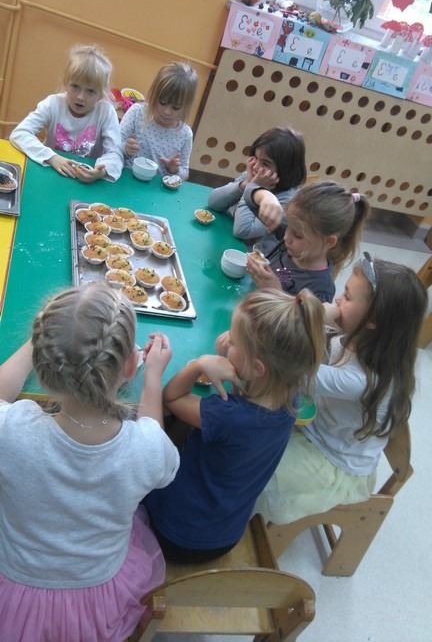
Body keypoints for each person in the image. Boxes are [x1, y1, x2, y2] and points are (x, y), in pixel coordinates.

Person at [0, 283, 179, 642]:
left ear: (43, 364)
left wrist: (44, 338)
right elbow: (153, 438)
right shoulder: (147, 448)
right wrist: (153, 380)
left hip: (14, 582)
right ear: (130, 365)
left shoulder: (12, 430)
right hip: (97, 590)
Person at [144, 287, 325, 563]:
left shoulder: (227, 416)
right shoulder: (290, 396)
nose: (227, 339)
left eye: (235, 340)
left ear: (258, 368)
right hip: (225, 533)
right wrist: (233, 356)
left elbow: (172, 398)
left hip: (177, 533)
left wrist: (199, 364)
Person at [251, 255, 428, 525]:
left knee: (254, 473)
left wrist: (310, 318)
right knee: (249, 434)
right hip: (314, 426)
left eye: (347, 296)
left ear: (373, 320)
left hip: (333, 460)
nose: (337, 300)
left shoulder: (362, 379)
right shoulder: (362, 335)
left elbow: (289, 367)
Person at [10, 43, 123, 183]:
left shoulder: (106, 112)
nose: (81, 97)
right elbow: (20, 133)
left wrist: (101, 172)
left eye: (90, 91)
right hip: (50, 173)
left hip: (85, 182)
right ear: (66, 83)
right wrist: (52, 157)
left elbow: (115, 153)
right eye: (75, 86)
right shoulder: (53, 104)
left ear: (100, 94)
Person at [243, 179, 370, 302]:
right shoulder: (291, 241)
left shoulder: (321, 289)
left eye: (298, 235)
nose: (286, 237)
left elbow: (306, 317)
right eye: (288, 227)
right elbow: (249, 193)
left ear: (329, 242)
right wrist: (265, 197)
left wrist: (277, 292)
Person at [207, 126, 306, 254]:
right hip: (224, 240)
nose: (255, 166)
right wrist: (244, 184)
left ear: (285, 170)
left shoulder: (287, 201)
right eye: (255, 157)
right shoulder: (253, 177)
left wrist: (252, 188)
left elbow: (242, 230)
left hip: (249, 257)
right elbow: (213, 202)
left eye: (265, 163)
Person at [120, 61, 198, 179]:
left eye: (176, 107)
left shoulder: (185, 134)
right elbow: (112, 147)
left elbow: (184, 173)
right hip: (127, 181)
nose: (167, 111)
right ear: (154, 94)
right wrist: (125, 150)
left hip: (158, 188)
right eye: (162, 102)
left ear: (186, 106)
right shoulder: (137, 112)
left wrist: (174, 170)